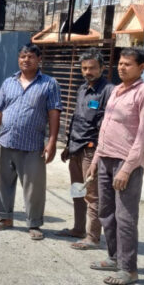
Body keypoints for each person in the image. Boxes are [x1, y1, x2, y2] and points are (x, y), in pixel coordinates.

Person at [87, 47, 144, 285]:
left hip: (125, 162)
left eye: (128, 64)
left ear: (141, 67)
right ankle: (114, 257)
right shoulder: (116, 91)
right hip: (106, 158)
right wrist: (96, 159)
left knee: (125, 217)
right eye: (120, 63)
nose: (122, 67)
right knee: (106, 213)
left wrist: (127, 168)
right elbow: (105, 128)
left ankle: (129, 269)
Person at [0, 43, 62, 240]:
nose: (26, 60)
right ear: (18, 59)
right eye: (22, 56)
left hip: (32, 145)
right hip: (6, 141)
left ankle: (34, 223)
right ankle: (4, 218)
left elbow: (54, 114)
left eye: (30, 57)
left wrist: (51, 141)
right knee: (0, 182)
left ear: (39, 60)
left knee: (34, 187)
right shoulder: (8, 82)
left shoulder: (49, 84)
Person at [56, 49, 114, 250]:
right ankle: (78, 228)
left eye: (92, 68)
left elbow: (106, 124)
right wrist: (68, 145)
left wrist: (98, 154)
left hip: (91, 150)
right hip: (76, 148)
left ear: (102, 68)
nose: (88, 71)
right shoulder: (83, 89)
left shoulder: (108, 91)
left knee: (92, 195)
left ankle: (92, 237)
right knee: (77, 190)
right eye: (84, 68)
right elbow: (77, 118)